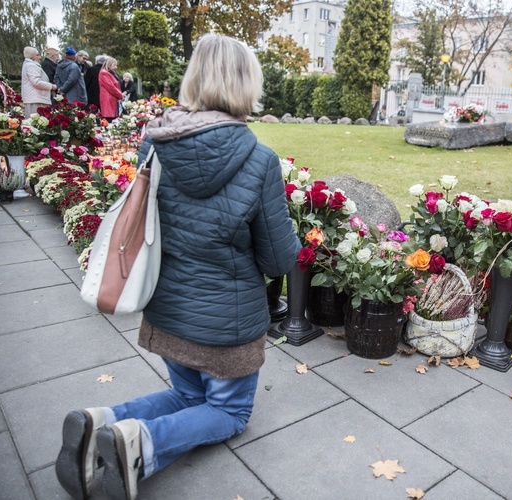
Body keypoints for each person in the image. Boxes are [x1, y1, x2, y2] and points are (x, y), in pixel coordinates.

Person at [54, 34, 300, 500]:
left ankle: (102, 422)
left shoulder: (156, 145)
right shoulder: (260, 159)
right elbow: (277, 259)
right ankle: (140, 443)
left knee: (189, 396)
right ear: (245, 84)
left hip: (167, 309)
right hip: (227, 324)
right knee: (229, 413)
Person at [21, 46, 56, 116]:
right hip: (36, 100)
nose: (39, 57)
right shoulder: (31, 65)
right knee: (35, 122)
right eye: (37, 55)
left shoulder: (29, 65)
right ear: (32, 56)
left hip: (36, 98)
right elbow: (36, 82)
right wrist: (51, 86)